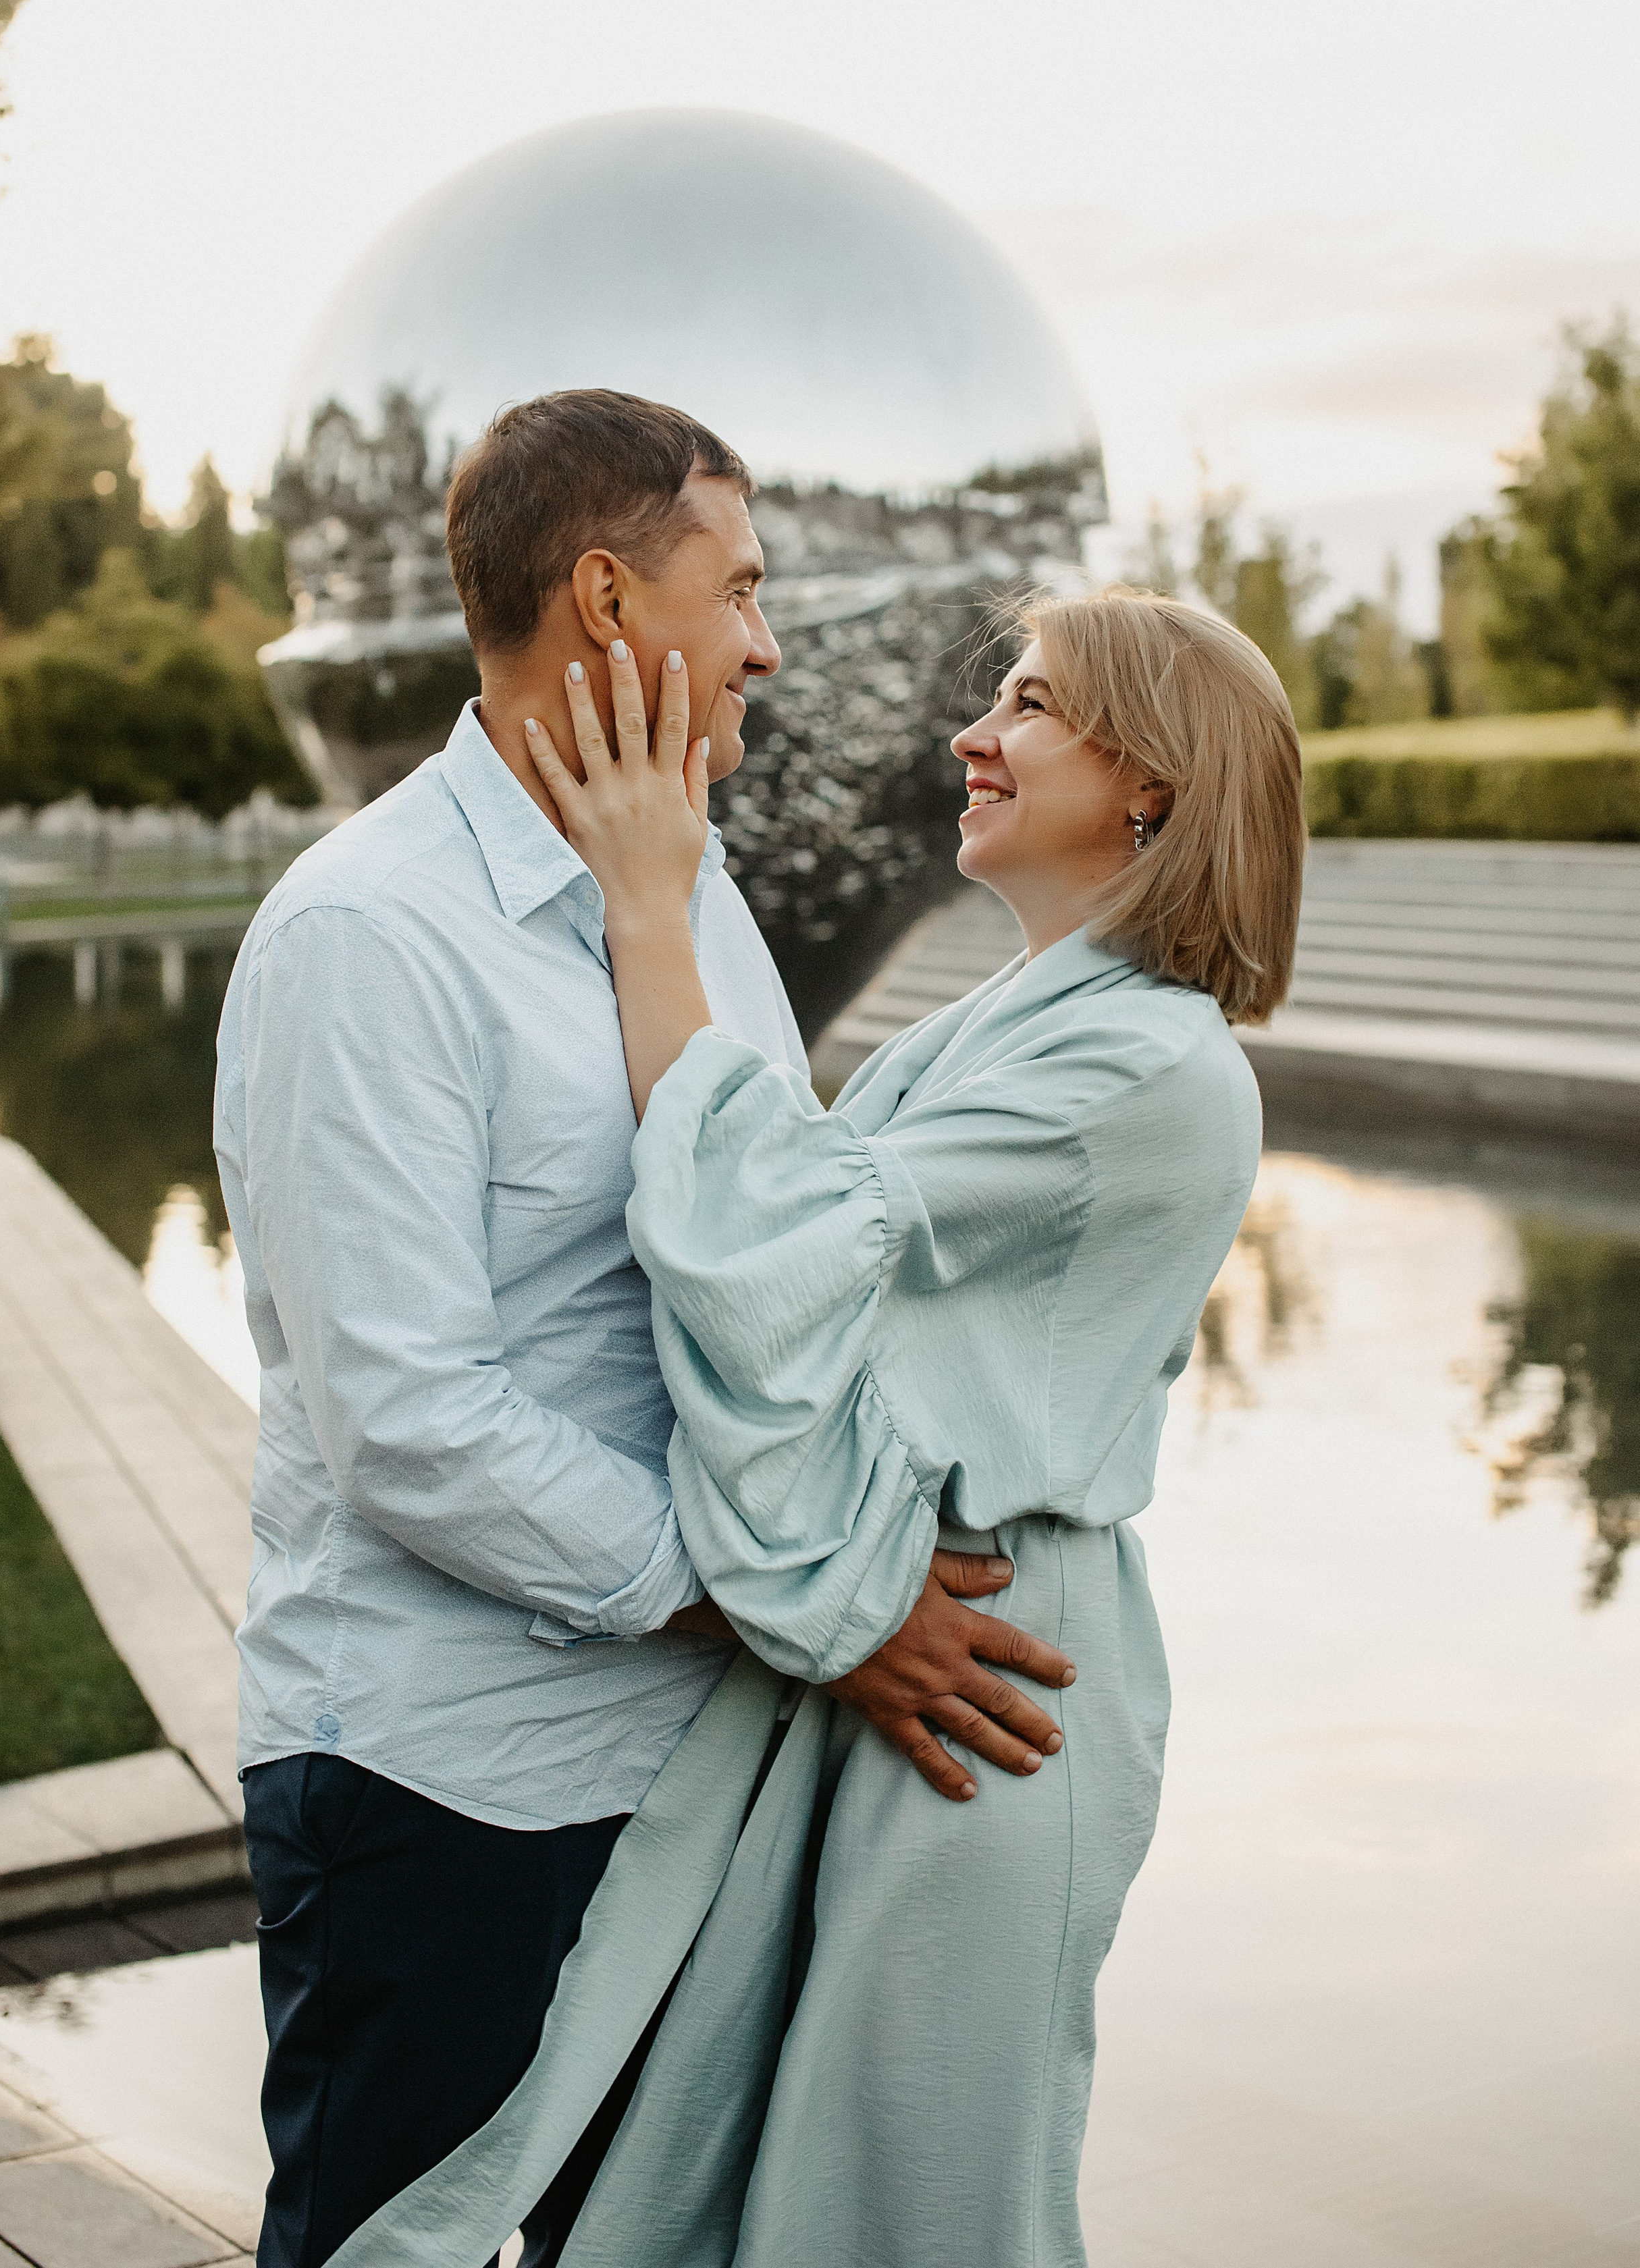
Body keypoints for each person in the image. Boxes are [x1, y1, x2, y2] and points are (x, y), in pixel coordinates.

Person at [329, 582, 1306, 2268]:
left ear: (1148, 779)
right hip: (907, 1650)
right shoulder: (1013, 1021)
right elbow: (799, 1275)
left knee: (906, 2211)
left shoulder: (1150, 1066)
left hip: (989, 1683)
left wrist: (649, 899)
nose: (968, 738)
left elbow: (761, 1243)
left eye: (1027, 705)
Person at [214, 388, 1076, 2268]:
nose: (772, 640)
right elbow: (412, 1420)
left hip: (693, 1769)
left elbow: (764, 1274)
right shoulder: (367, 935)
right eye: (743, 587)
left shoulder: (697, 904)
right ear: (609, 599)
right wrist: (809, 1602)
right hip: (452, 1787)